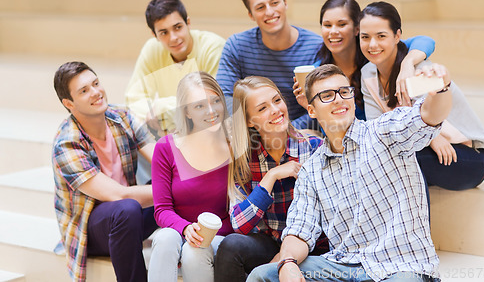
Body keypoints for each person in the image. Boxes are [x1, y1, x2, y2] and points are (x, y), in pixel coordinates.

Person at [248, 63, 449, 281]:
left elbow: (428, 115)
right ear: (311, 110)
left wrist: (440, 89)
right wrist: (287, 262)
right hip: (344, 266)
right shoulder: (311, 170)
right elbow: (299, 230)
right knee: (264, 276)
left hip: (401, 266)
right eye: (326, 95)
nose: (338, 99)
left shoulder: (384, 132)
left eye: (344, 92)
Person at [359, 1, 484, 191]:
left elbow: (428, 119)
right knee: (386, 156)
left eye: (381, 36)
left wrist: (429, 136)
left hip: (470, 155)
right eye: (365, 37)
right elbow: (376, 127)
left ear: (397, 36)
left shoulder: (421, 71)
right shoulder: (367, 73)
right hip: (426, 150)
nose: (372, 44)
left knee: (403, 159)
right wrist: (429, 139)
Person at [52, 61, 157, 282]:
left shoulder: (121, 116)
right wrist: (176, 190)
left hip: (128, 216)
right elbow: (120, 195)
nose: (96, 92)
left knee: (173, 184)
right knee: (127, 208)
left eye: (96, 83)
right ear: (69, 103)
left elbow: (161, 159)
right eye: (84, 90)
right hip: (91, 230)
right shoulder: (66, 144)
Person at [214, 76, 323, 282]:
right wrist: (272, 176)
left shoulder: (313, 148)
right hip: (270, 241)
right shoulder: (245, 160)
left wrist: (286, 256)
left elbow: (327, 218)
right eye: (262, 108)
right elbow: (239, 224)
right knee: (230, 246)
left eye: (277, 100)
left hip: (313, 245)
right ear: (249, 121)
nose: (275, 110)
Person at [148, 72, 233, 282]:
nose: (211, 111)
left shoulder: (234, 145)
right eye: (199, 106)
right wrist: (186, 228)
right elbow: (162, 210)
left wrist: (205, 234)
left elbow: (239, 210)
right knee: (165, 238)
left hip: (220, 235)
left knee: (194, 251)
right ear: (186, 112)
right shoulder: (166, 147)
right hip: (178, 231)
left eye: (215, 101)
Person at [293, 0, 436, 121]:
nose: (333, 31)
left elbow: (425, 41)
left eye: (342, 24)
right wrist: (312, 107)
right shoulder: (319, 72)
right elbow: (332, 127)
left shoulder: (374, 55)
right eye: (327, 25)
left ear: (357, 28)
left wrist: (408, 63)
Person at [215, 0, 324, 129]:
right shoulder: (236, 46)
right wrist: (260, 129)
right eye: (260, 7)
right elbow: (226, 99)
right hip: (255, 133)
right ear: (251, 14)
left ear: (285, 3)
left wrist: (284, 131)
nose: (269, 12)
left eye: (274, 3)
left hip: (302, 135)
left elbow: (321, 104)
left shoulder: (316, 47)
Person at [125, 0, 225, 136]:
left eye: (177, 27)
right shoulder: (152, 49)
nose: (173, 38)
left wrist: (161, 108)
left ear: (188, 23)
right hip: (169, 132)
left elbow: (212, 103)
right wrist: (155, 114)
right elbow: (133, 98)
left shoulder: (212, 47)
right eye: (164, 32)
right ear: (154, 35)